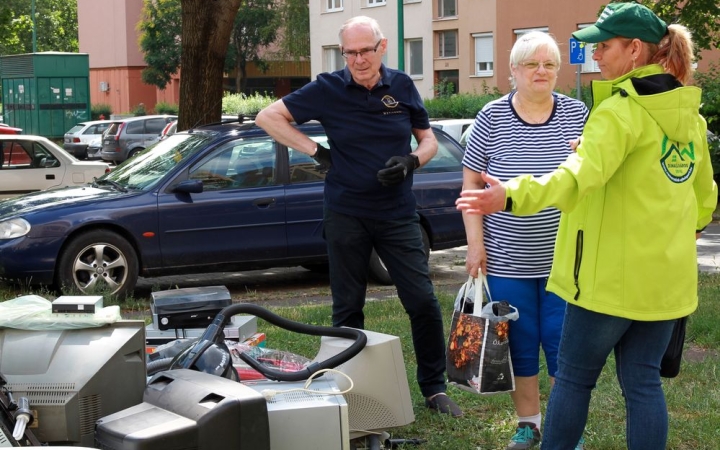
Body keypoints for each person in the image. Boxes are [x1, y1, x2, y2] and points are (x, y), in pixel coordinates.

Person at [456, 3, 718, 449]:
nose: (594, 53)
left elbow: (574, 179)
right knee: (643, 385)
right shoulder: (689, 118)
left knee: (574, 380)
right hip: (665, 286)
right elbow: (703, 198)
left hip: (606, 287)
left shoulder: (617, 113)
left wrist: (511, 195)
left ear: (634, 50)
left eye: (604, 45)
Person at [255, 15, 462, 417]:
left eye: (365, 51)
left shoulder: (401, 86)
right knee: (347, 307)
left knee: (421, 300)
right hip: (346, 212)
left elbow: (429, 138)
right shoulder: (328, 88)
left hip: (398, 214)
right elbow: (268, 117)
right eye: (350, 52)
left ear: (381, 47)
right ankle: (347, 387)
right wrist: (318, 153)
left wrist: (411, 162)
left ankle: (434, 388)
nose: (358, 59)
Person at [462, 31, 588, 450]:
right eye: (532, 64)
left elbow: (591, 180)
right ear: (513, 70)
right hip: (506, 260)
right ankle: (529, 423)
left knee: (563, 347)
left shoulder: (577, 114)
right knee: (518, 344)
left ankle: (565, 428)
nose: (541, 71)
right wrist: (475, 245)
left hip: (565, 259)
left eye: (549, 64)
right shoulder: (491, 117)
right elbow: (471, 189)